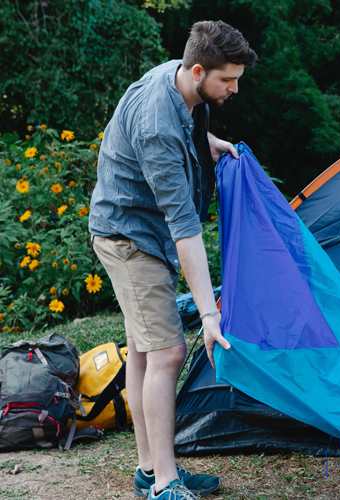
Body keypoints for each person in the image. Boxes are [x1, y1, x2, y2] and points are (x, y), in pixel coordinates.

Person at [88, 20, 257, 500]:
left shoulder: (180, 83)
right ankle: (165, 483)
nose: (234, 88)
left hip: (144, 231)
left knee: (145, 351)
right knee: (169, 353)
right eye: (228, 80)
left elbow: (180, 140)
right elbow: (186, 230)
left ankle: (150, 470)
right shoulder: (159, 122)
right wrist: (209, 313)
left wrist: (209, 144)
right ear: (199, 69)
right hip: (129, 238)